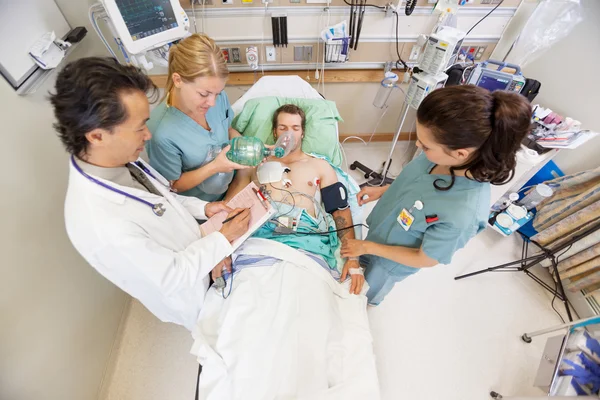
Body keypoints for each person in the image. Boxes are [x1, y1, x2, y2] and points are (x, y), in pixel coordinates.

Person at [50, 57, 251, 331]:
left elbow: (164, 198)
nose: (148, 136)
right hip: (190, 292)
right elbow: (172, 276)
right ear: (97, 136)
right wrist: (223, 238)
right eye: (139, 128)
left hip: (200, 250)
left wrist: (203, 209)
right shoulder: (100, 224)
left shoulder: (120, 160)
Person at [341, 85, 533, 306]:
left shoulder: (462, 214)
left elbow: (425, 258)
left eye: (425, 145)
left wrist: (368, 248)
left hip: (390, 264)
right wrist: (384, 190)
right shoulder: (435, 158)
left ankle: (369, 303)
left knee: (366, 292)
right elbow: (415, 184)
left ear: (461, 153)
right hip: (381, 232)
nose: (418, 146)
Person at [226, 104, 365, 294]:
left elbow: (340, 211)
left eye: (295, 128)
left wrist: (353, 259)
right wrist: (220, 248)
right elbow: (230, 206)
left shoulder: (320, 166)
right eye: (283, 128)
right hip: (263, 238)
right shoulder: (254, 165)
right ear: (275, 132)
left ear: (303, 133)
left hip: (304, 242)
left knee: (304, 295)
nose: (288, 134)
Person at [146, 34, 247, 203]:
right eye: (204, 94)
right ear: (178, 80)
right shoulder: (161, 132)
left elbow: (228, 129)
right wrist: (215, 167)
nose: (213, 102)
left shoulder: (216, 99)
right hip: (202, 209)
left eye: (217, 93)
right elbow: (172, 185)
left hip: (232, 189)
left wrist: (244, 145)